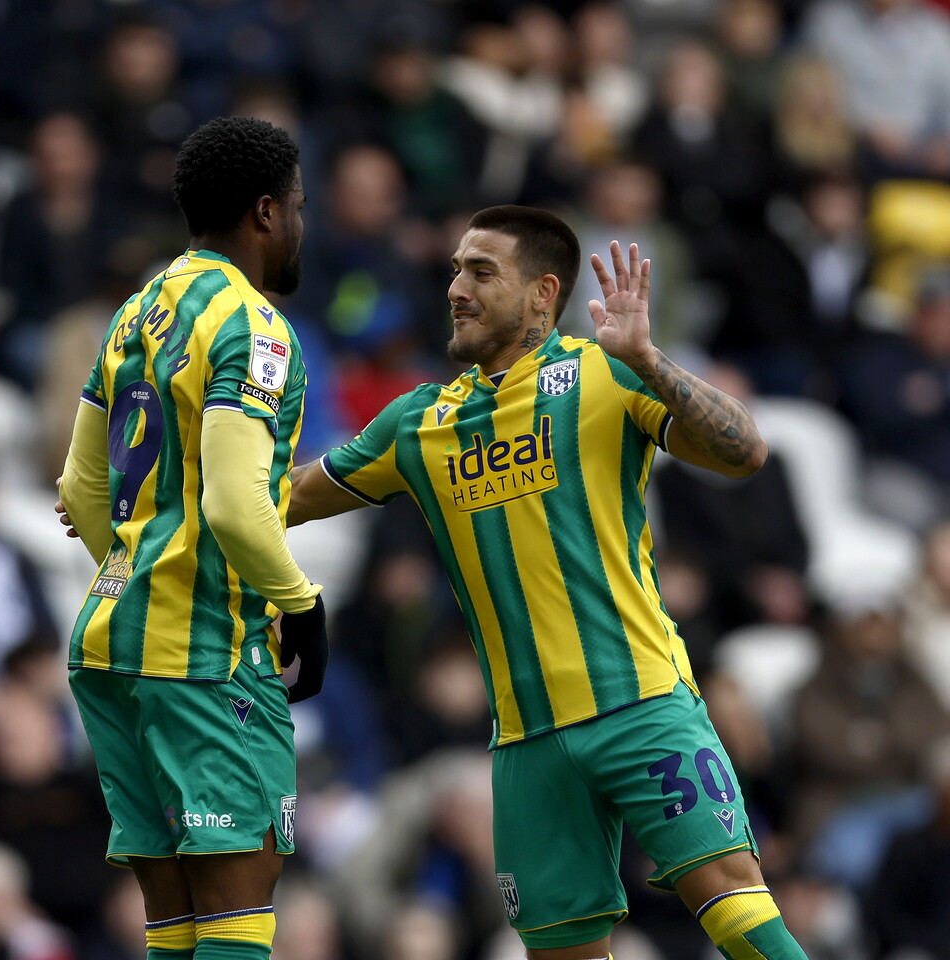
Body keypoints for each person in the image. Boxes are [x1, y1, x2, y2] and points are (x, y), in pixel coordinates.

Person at [286, 207, 810, 960]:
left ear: (543, 293)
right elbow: (279, 501)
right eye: (455, 270)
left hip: (641, 706)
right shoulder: (417, 423)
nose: (456, 289)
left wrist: (649, 360)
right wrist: (155, 493)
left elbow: (745, 451)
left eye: (481, 272)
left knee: (736, 913)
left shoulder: (606, 372)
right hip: (525, 746)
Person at [56, 116, 329, 960]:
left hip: (112, 646)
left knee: (174, 920)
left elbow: (79, 488)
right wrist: (302, 604)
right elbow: (238, 506)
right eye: (297, 206)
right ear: (264, 212)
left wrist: (144, 568)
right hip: (204, 656)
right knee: (238, 896)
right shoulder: (253, 326)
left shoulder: (135, 312)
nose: (301, 223)